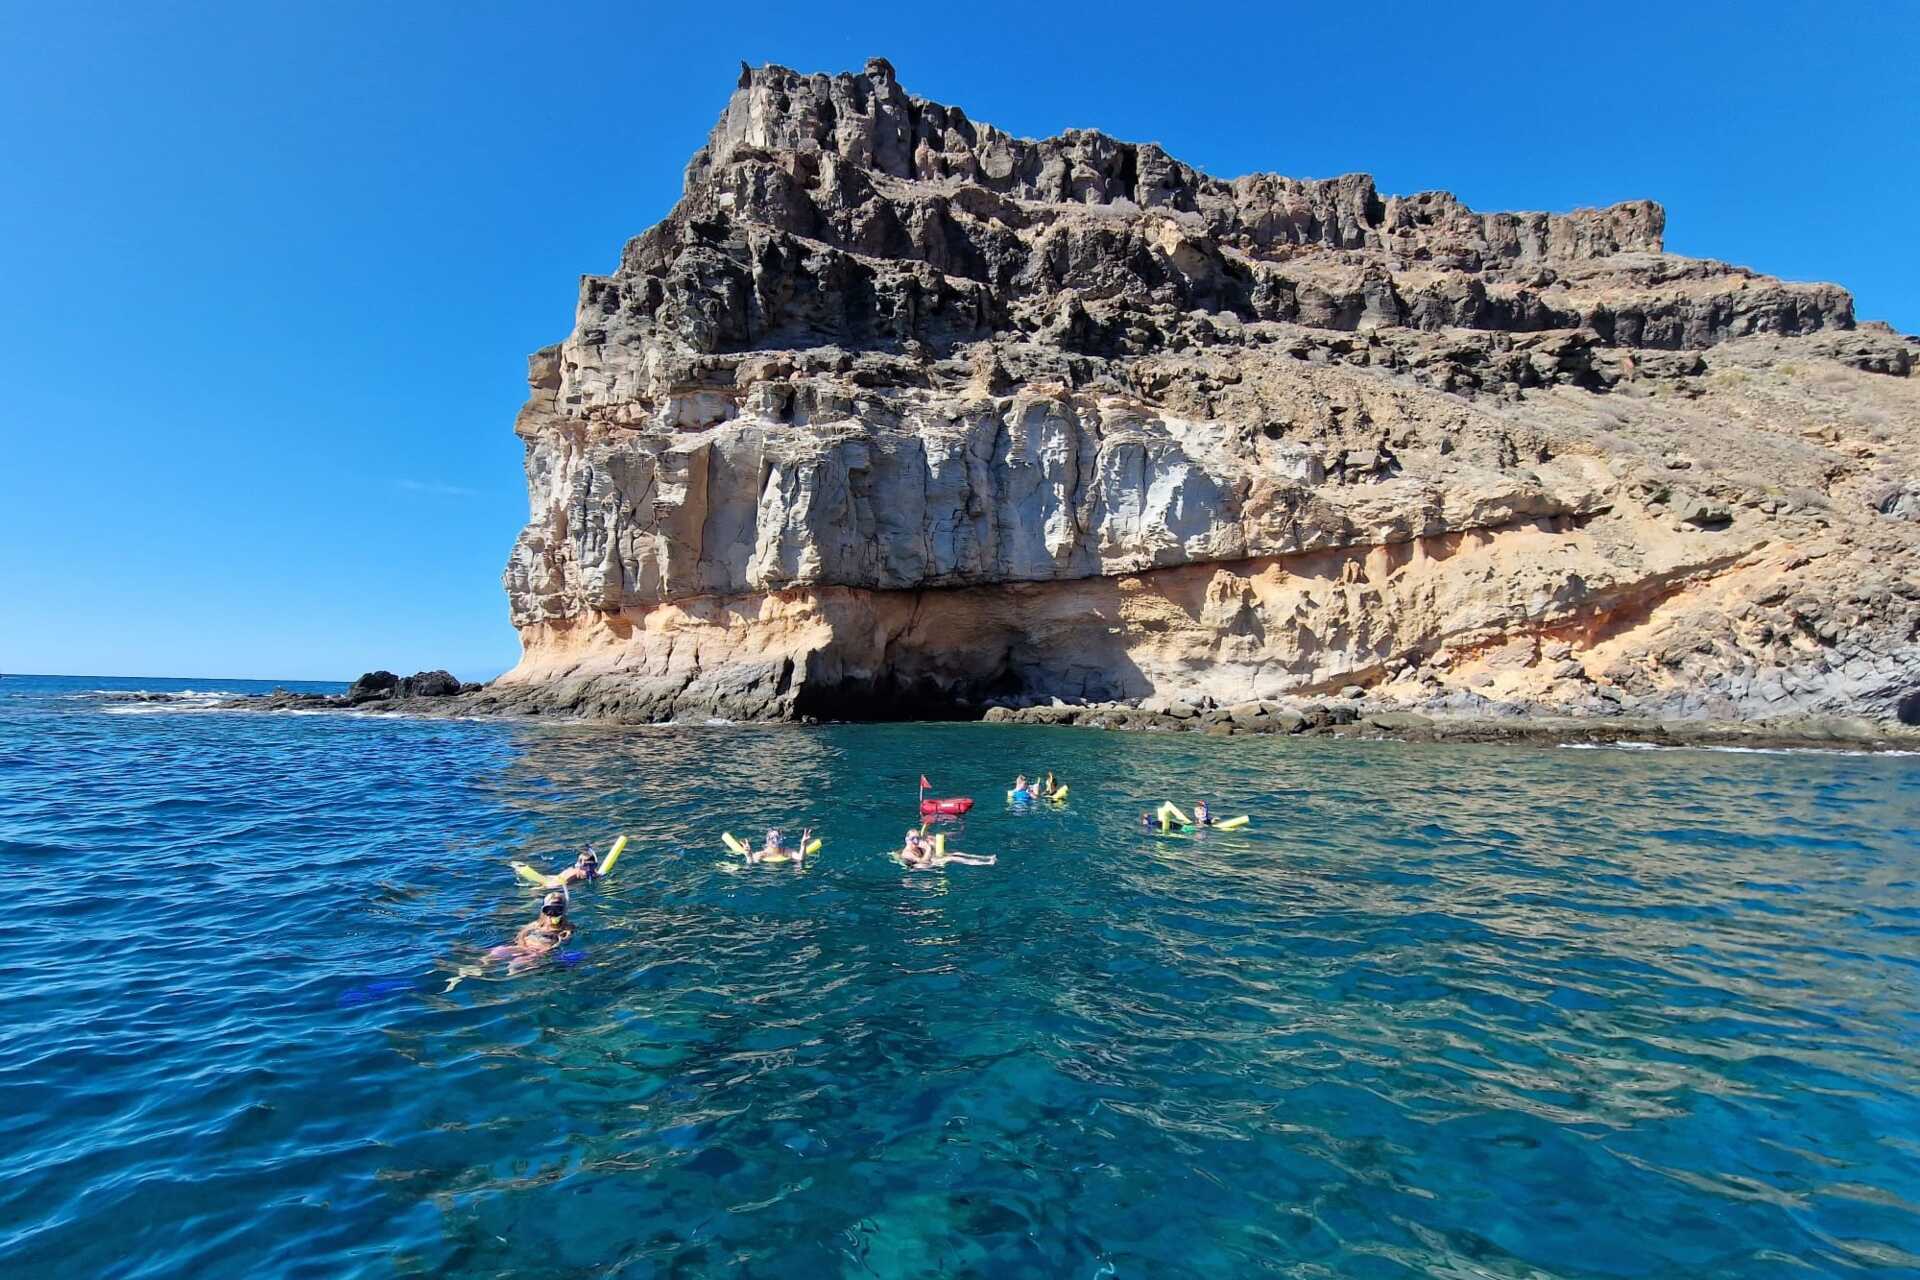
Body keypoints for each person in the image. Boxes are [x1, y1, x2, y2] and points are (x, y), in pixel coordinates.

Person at [899, 828, 995, 868]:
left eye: (918, 838)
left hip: (926, 862)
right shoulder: (907, 853)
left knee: (955, 853)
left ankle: (985, 857)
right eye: (913, 839)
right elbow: (923, 862)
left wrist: (932, 844)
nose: (916, 841)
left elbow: (932, 854)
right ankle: (985, 863)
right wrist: (928, 849)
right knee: (951, 858)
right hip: (917, 867)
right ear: (907, 840)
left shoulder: (917, 846)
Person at [518, 846, 599, 889]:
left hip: (554, 878)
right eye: (586, 866)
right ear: (580, 865)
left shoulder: (585, 871)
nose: (589, 868)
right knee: (539, 888)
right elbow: (558, 884)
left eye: (592, 865)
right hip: (556, 882)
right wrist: (542, 888)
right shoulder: (575, 873)